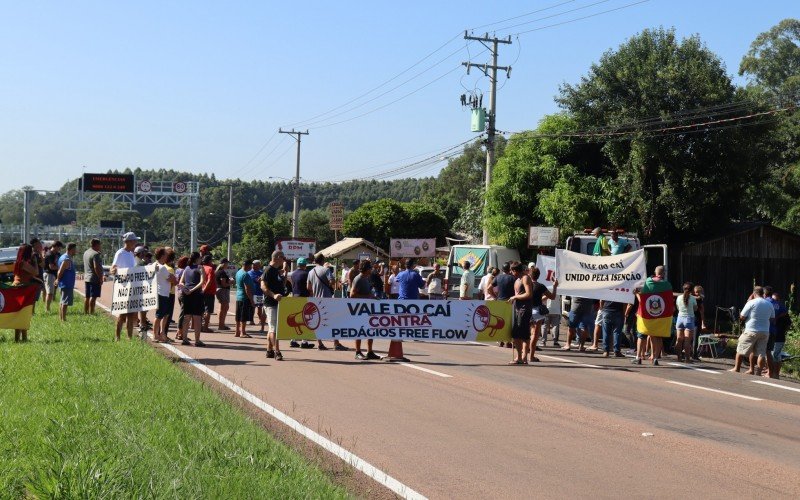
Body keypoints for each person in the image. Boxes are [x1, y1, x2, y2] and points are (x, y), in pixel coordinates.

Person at [730, 286, 774, 375]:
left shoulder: (751, 302)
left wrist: (748, 302)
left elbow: (742, 316)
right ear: (763, 293)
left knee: (741, 349)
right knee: (761, 353)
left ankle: (736, 368)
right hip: (765, 331)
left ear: (754, 293)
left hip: (752, 329)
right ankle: (758, 372)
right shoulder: (769, 304)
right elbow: (772, 318)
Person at [307, 254, 346, 351]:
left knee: (318, 322)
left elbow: (308, 287)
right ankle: (336, 343)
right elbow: (332, 282)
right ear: (322, 260)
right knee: (334, 321)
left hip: (316, 300)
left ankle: (320, 343)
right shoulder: (326, 270)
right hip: (327, 299)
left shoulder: (311, 272)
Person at [635, 266, 672, 365]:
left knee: (641, 336)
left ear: (655, 272)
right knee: (658, 337)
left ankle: (638, 357)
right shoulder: (667, 285)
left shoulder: (646, 283)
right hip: (660, 317)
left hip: (645, 316)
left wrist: (637, 294)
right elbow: (668, 303)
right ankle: (655, 358)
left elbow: (642, 301)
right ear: (664, 273)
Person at [111, 232, 141, 341]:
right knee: (122, 314)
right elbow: (113, 268)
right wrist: (115, 271)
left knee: (131, 314)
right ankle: (117, 337)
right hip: (123, 287)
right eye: (134, 240)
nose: (135, 242)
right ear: (128, 242)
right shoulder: (120, 253)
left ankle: (129, 337)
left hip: (131, 287)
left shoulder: (131, 254)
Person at [350, 260, 381, 360]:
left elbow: (367, 293)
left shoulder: (366, 278)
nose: (371, 269)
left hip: (368, 308)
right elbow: (352, 295)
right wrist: (367, 296)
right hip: (359, 309)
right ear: (367, 269)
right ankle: (358, 352)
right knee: (359, 330)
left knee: (370, 329)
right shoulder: (358, 279)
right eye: (370, 268)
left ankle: (370, 352)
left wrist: (373, 297)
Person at [177, 252, 207, 347]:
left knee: (187, 317)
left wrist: (186, 289)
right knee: (197, 318)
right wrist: (192, 290)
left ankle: (185, 338)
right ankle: (197, 340)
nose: (201, 259)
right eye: (200, 258)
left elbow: (181, 282)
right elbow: (202, 281)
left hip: (186, 294)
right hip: (196, 294)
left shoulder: (186, 268)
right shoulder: (200, 267)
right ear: (197, 259)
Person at [527, 267, 557, 362]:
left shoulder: (525, 285)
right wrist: (555, 286)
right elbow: (552, 297)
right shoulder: (540, 286)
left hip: (526, 310)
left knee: (528, 333)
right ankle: (531, 356)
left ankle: (524, 354)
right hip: (537, 312)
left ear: (529, 275)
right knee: (535, 335)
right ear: (538, 276)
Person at [262, 250, 287, 361]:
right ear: (277, 257)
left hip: (278, 303)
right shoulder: (268, 270)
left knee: (272, 328)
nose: (284, 259)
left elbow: (282, 284)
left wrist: (285, 272)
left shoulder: (276, 271)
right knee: (274, 328)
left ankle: (269, 350)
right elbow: (263, 286)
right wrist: (273, 295)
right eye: (283, 257)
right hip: (271, 303)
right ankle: (277, 351)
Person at [12, 243, 39, 342]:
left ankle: (22, 338)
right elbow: (36, 272)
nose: (32, 253)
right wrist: (35, 261)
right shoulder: (24, 263)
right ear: (27, 252)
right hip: (22, 289)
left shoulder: (19, 262)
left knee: (21, 314)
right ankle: (20, 339)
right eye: (31, 251)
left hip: (18, 289)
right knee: (23, 314)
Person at [153, 247, 177, 343]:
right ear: (162, 256)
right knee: (159, 315)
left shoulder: (155, 265)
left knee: (165, 315)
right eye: (166, 254)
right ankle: (156, 335)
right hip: (162, 293)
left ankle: (162, 334)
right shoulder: (162, 267)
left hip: (163, 293)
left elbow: (172, 279)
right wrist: (172, 277)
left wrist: (172, 278)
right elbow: (173, 280)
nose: (167, 256)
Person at [674, 282, 698, 362]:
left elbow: (677, 307)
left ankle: (679, 358)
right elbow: (695, 308)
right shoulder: (693, 298)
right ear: (691, 290)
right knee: (687, 340)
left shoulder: (679, 297)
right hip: (689, 319)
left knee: (679, 339)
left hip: (680, 318)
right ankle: (687, 359)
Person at [55, 242, 77, 322]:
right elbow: (60, 271)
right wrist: (58, 279)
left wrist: (58, 280)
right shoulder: (66, 259)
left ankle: (61, 318)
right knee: (65, 302)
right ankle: (63, 319)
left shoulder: (63, 257)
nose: (76, 251)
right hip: (66, 284)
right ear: (71, 249)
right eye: (75, 249)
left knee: (62, 301)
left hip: (65, 283)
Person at [234, 260, 255, 339]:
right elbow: (247, 289)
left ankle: (237, 331)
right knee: (243, 315)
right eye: (250, 266)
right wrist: (251, 300)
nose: (251, 267)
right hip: (244, 297)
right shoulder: (245, 274)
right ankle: (243, 332)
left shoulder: (238, 272)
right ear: (247, 265)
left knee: (238, 315)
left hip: (238, 296)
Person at [82, 239, 103, 314]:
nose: (100, 247)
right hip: (94, 278)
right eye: (100, 245)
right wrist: (100, 277)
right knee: (93, 297)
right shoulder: (95, 254)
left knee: (87, 296)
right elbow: (96, 267)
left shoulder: (86, 252)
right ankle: (92, 313)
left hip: (87, 277)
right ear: (97, 245)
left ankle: (86, 312)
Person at [772, 291, 790, 379]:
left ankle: (776, 374)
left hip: (779, 336)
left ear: (779, 300)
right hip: (773, 334)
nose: (774, 301)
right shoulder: (773, 309)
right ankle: (771, 372)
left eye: (775, 300)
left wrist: (782, 331)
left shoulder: (783, 312)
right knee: (772, 354)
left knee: (775, 355)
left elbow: (788, 324)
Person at [43, 240, 63, 312]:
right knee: (50, 293)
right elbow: (51, 267)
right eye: (59, 248)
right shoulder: (50, 254)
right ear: (55, 247)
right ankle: (47, 309)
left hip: (53, 275)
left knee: (52, 292)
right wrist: (62, 267)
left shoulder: (57, 254)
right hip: (49, 274)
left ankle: (48, 307)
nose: (60, 249)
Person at [200, 254, 217, 333]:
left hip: (201, 291)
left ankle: (200, 326)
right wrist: (205, 289)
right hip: (209, 292)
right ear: (209, 261)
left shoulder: (201, 268)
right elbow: (209, 281)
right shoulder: (210, 269)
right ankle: (205, 327)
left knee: (202, 310)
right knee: (208, 310)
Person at [215, 258, 232, 331]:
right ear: (223, 264)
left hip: (221, 290)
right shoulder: (222, 272)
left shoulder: (218, 271)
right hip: (223, 290)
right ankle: (221, 325)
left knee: (225, 307)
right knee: (223, 308)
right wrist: (231, 282)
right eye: (227, 263)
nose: (227, 265)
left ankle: (222, 324)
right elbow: (223, 284)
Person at [249, 260, 266, 332]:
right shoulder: (250, 272)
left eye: (255, 264)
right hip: (253, 292)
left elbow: (263, 280)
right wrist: (261, 279)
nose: (253, 266)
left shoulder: (261, 272)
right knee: (252, 307)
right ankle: (251, 320)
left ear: (259, 265)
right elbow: (258, 280)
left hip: (260, 293)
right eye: (253, 264)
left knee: (260, 307)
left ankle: (260, 320)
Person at [174, 256, 189, 338]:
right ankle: (180, 332)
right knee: (183, 313)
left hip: (179, 292)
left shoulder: (177, 270)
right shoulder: (184, 271)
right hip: (184, 292)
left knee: (183, 312)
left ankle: (179, 332)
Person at [691, 285, 707, 360]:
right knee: (693, 338)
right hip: (694, 319)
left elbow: (702, 312)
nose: (696, 293)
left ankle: (693, 354)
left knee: (694, 338)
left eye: (697, 292)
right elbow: (702, 311)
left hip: (696, 319)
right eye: (695, 292)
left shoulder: (693, 298)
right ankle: (693, 354)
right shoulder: (696, 299)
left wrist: (703, 322)